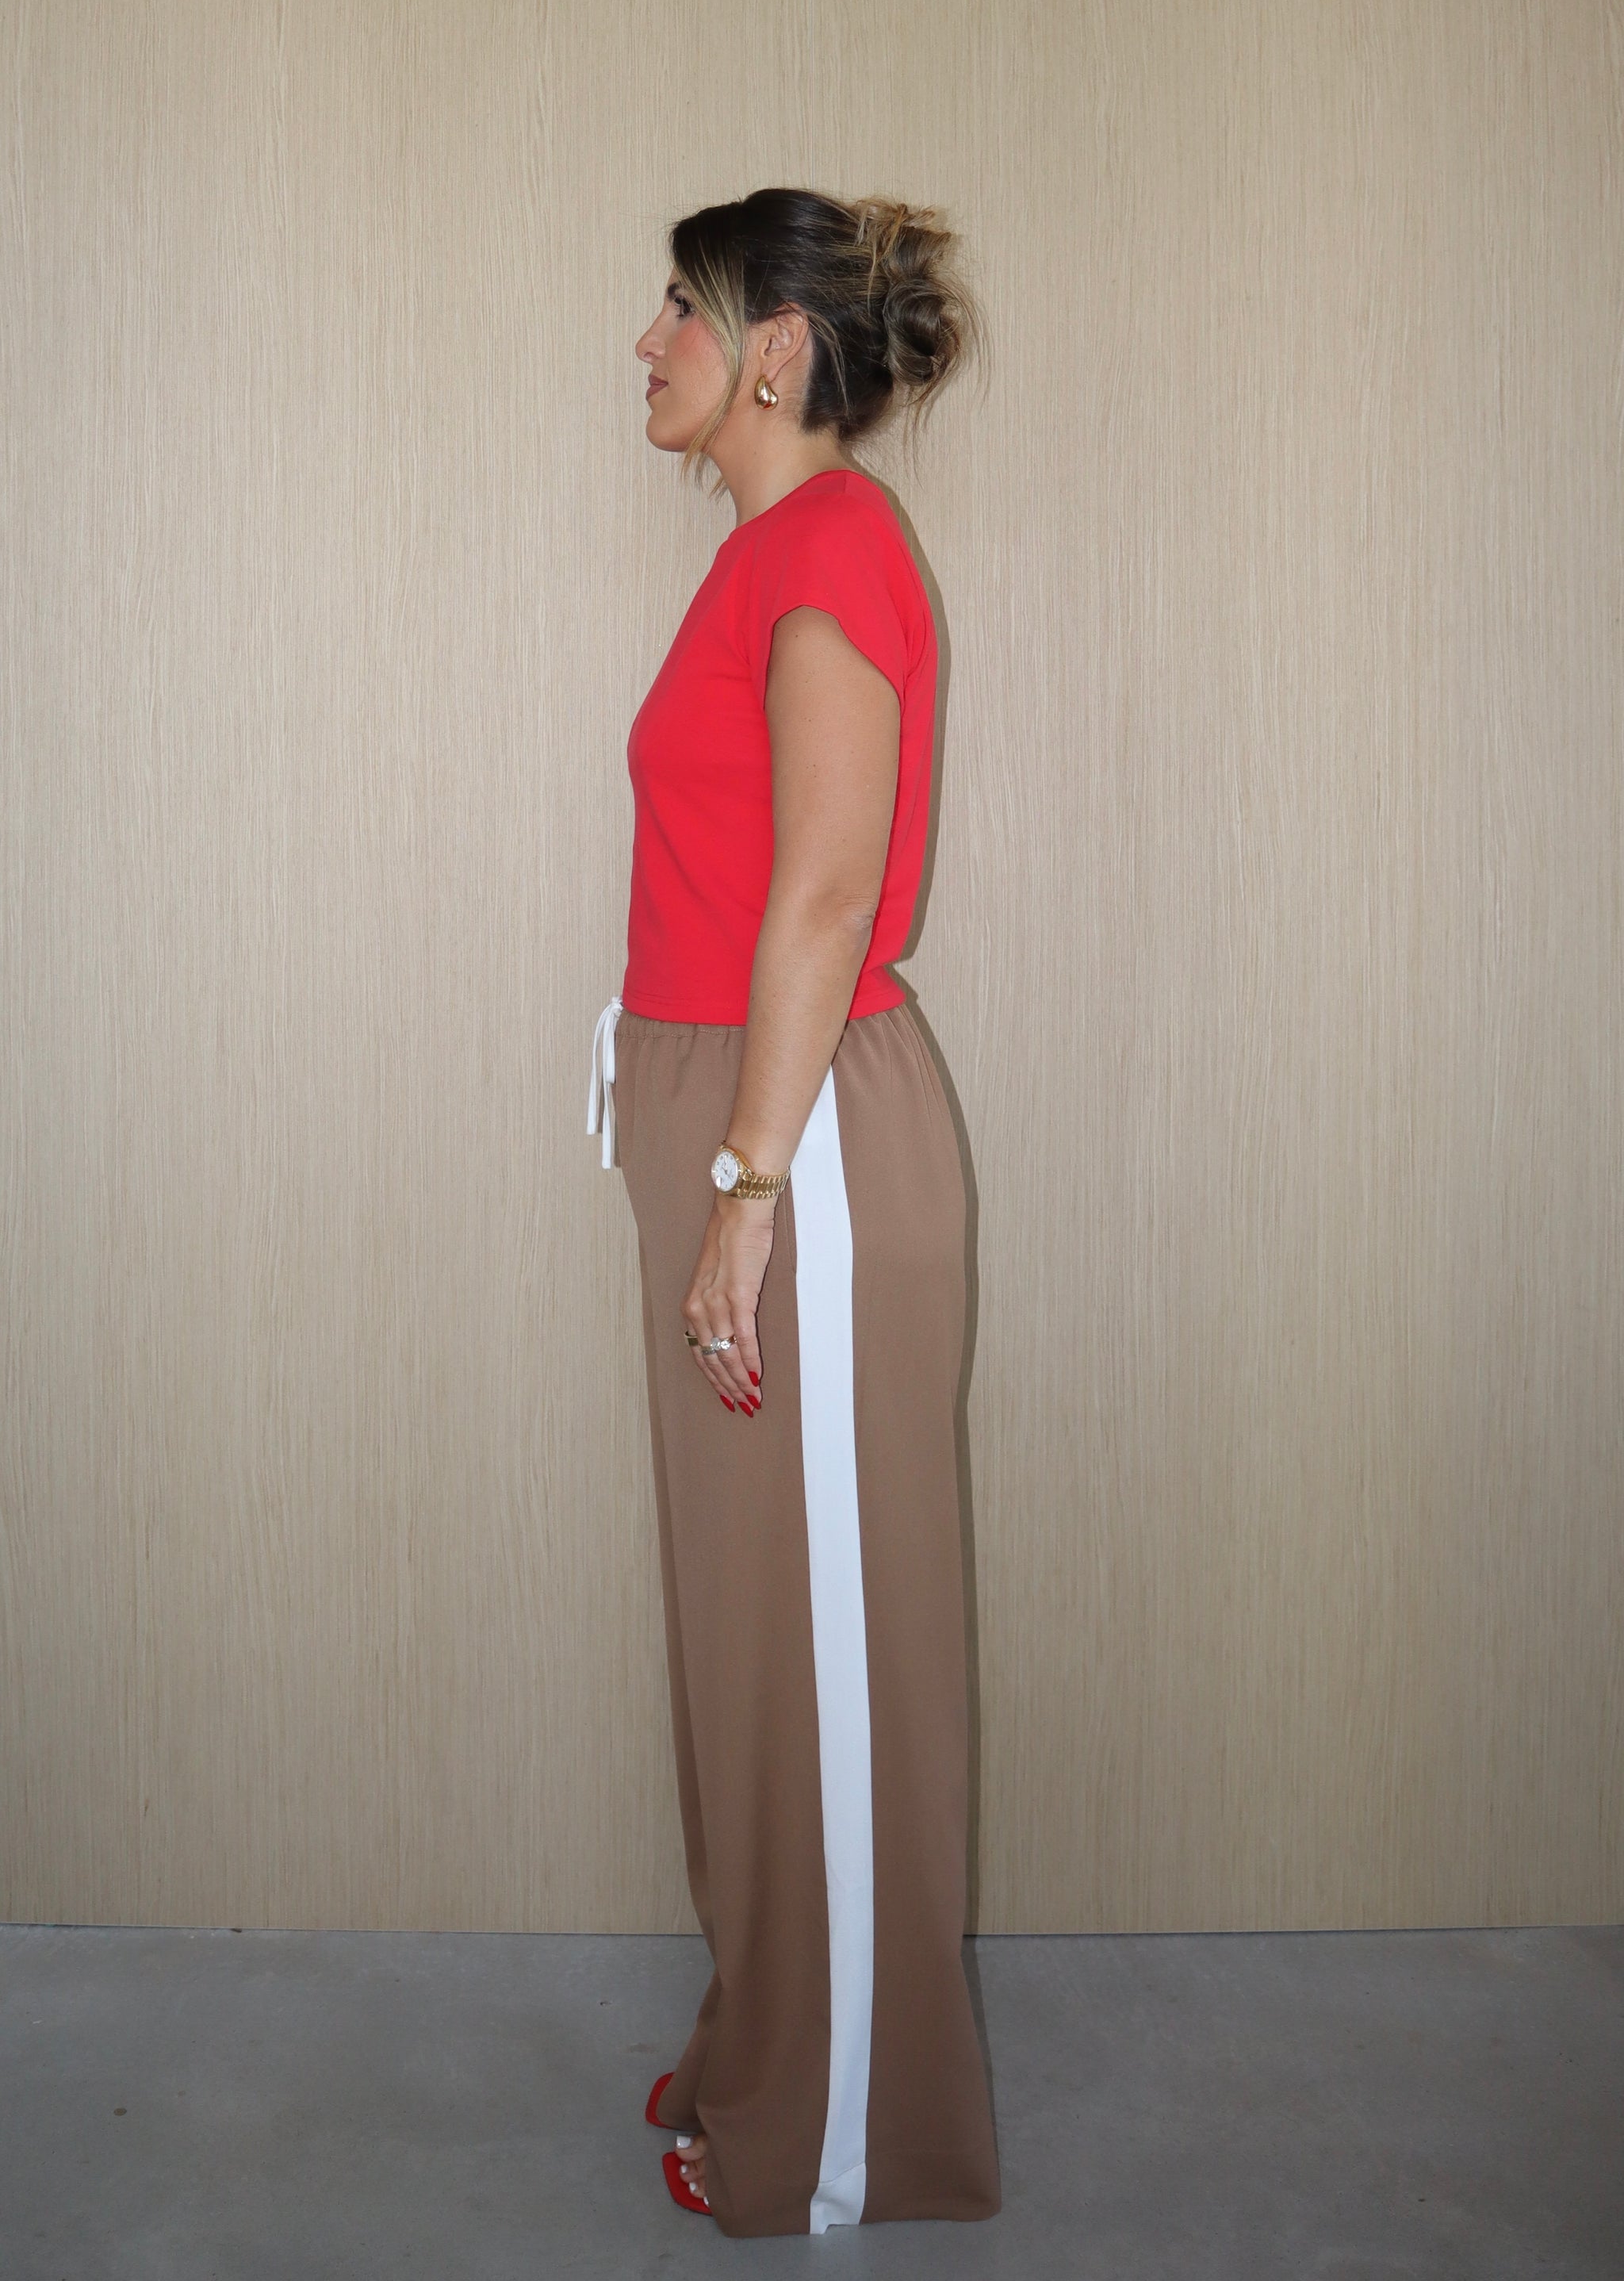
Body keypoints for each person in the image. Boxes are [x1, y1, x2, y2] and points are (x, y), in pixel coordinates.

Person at [586, 186, 999, 2239]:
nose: (644, 340)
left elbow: (829, 889)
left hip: (801, 1146)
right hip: (749, 1123)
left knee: (824, 1667)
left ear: (769, 350)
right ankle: (781, 2031)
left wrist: (748, 1189)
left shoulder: (829, 541)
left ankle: (842, 2133)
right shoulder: (768, 556)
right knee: (758, 1646)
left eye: (680, 304)